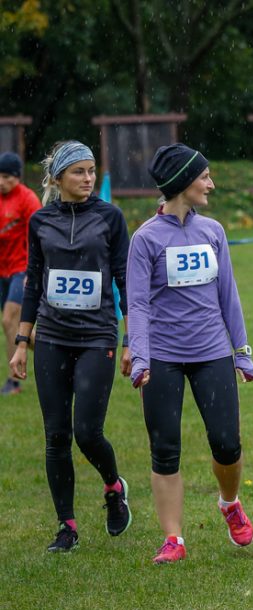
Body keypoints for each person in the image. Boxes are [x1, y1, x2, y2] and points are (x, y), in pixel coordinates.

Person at [128, 143, 253, 564]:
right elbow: (139, 305)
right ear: (183, 182)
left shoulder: (213, 231)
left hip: (212, 354)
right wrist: (142, 358)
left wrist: (242, 352)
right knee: (165, 448)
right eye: (204, 176)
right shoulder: (145, 238)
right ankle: (173, 539)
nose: (211, 184)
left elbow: (229, 297)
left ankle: (230, 502)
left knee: (227, 443)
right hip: (163, 357)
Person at [10, 140, 131, 552]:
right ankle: (67, 526)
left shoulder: (110, 218)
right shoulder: (41, 221)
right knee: (56, 435)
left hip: (97, 336)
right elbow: (32, 284)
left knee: (87, 432)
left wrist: (131, 338)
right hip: (52, 337)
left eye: (92, 171)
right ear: (58, 177)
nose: (88, 179)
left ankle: (114, 487)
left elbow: (124, 280)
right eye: (79, 172)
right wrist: (22, 342)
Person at [0, 152, 41, 395]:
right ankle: (55, 349)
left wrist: (33, 272)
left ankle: (13, 381)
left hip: (22, 269)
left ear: (17, 177)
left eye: (6, 177)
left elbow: (39, 239)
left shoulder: (28, 200)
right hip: (2, 270)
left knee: (8, 320)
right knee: (12, 326)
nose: (1, 182)